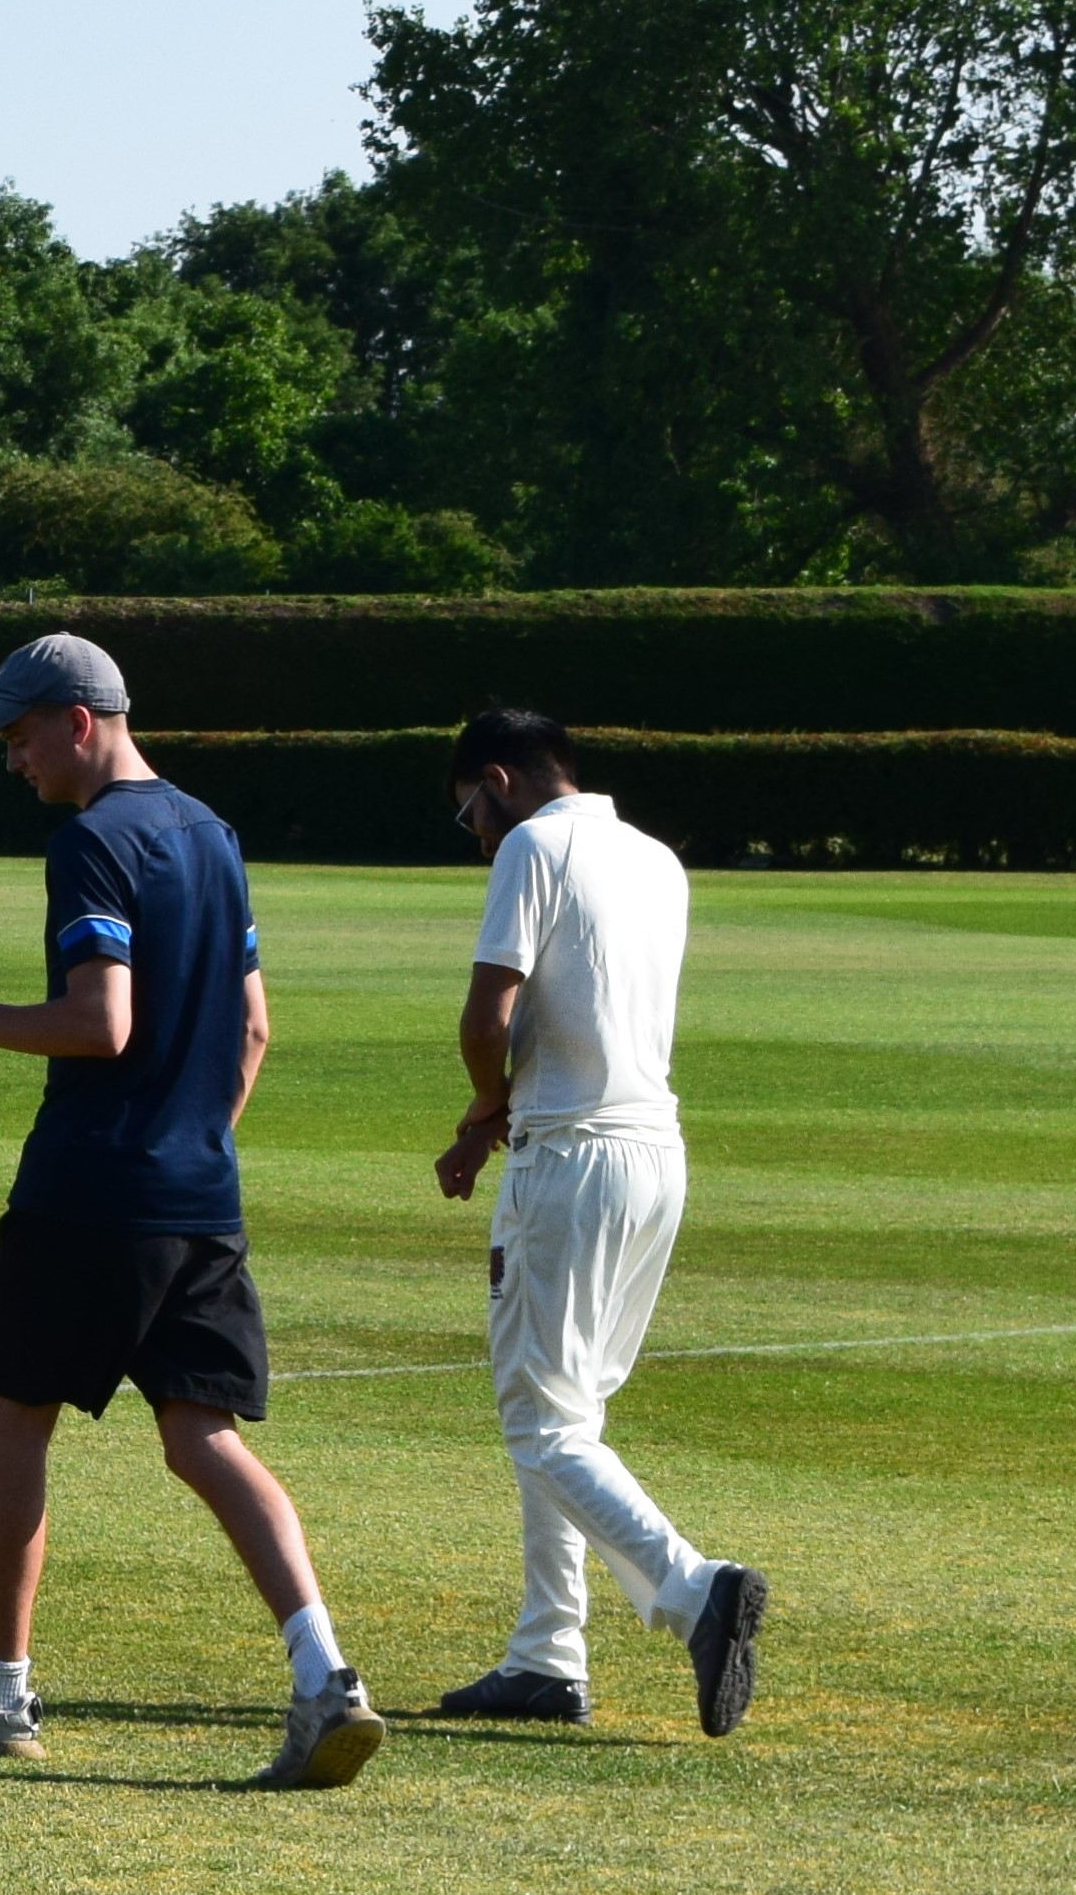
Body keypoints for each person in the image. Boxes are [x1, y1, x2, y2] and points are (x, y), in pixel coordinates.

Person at [0, 632, 383, 1788]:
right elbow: (252, 1027)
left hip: (89, 1190)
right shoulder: (212, 832)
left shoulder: (93, 840)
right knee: (205, 1438)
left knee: (13, 1419)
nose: (13, 759)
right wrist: (192, 1145)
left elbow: (103, 1022)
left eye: (20, 733)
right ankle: (326, 1675)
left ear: (80, 719)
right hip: (200, 1194)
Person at [424, 707, 768, 1736]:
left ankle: (692, 1587)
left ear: (502, 780)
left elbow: (489, 1016)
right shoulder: (659, 857)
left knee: (540, 1417)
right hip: (655, 1155)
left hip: (569, 1159)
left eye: (468, 815)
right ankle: (548, 1652)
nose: (477, 835)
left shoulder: (533, 842)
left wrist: (488, 1107)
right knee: (570, 1413)